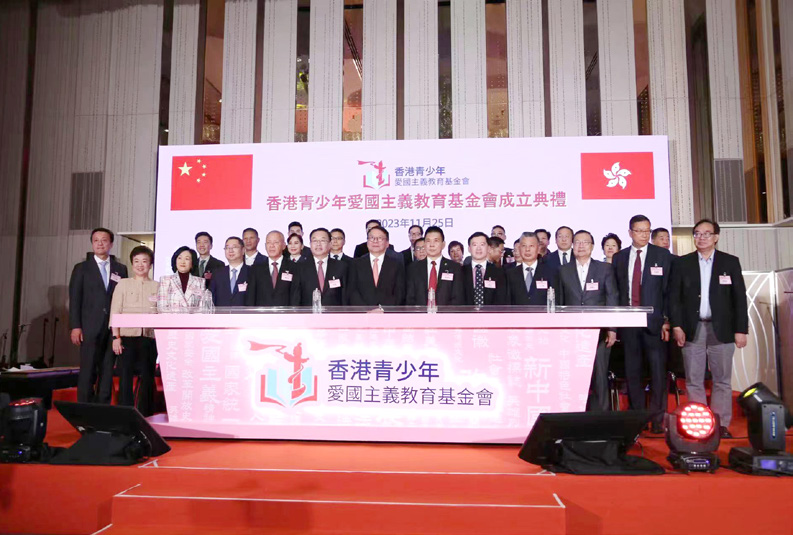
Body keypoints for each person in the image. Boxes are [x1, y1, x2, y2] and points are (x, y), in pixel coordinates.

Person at [669, 219, 748, 438]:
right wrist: (676, 325)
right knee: (693, 379)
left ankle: (721, 425)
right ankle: (700, 424)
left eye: (706, 233)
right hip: (692, 327)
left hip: (722, 329)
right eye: (697, 233)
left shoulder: (730, 262)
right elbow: (674, 298)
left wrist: (741, 329)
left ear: (716, 237)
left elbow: (739, 298)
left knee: (722, 379)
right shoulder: (682, 263)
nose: (701, 237)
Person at [613, 215, 673, 433]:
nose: (644, 235)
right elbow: (616, 290)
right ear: (630, 233)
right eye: (639, 231)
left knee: (657, 371)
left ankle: (657, 420)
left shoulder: (662, 255)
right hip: (629, 322)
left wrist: (666, 319)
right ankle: (637, 419)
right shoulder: (620, 257)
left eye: (647, 231)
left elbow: (669, 291)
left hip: (654, 322)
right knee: (633, 371)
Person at [555, 230, 618, 411]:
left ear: (592, 246)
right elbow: (559, 302)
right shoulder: (563, 270)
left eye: (585, 242)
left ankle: (601, 416)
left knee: (599, 375)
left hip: (599, 332)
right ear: (572, 246)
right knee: (573, 374)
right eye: (577, 242)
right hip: (571, 332)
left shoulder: (604, 269)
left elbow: (612, 298)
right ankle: (574, 413)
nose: (581, 246)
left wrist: (612, 328)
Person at [69, 228, 128, 403]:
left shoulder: (120, 269)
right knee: (88, 370)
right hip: (89, 327)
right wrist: (75, 326)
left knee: (107, 370)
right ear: (92, 243)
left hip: (112, 328)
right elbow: (75, 299)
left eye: (104, 240)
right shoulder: (81, 268)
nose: (100, 244)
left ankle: (103, 409)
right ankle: (84, 409)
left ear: (111, 244)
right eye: (96, 240)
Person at [110, 246, 157, 415]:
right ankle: (125, 413)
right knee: (125, 377)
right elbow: (115, 311)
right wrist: (116, 337)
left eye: (144, 261)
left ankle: (145, 413)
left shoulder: (157, 286)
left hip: (149, 337)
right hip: (127, 337)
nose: (140, 265)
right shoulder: (123, 284)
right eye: (136, 261)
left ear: (150, 264)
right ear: (132, 264)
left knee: (147, 376)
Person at [406, 226, 464, 306]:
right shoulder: (414, 268)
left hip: (447, 313)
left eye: (436, 241)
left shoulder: (455, 268)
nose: (432, 245)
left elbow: (457, 298)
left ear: (443, 244)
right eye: (428, 241)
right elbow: (410, 299)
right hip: (420, 313)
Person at [349, 226, 406, 306]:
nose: (375, 241)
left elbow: (399, 292)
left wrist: (382, 309)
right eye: (372, 238)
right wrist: (367, 310)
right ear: (367, 242)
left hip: (388, 312)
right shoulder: (356, 264)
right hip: (362, 311)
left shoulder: (396, 264)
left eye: (380, 238)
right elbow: (352, 291)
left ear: (387, 243)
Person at [291, 228, 349, 306]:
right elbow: (295, 298)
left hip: (334, 313)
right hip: (308, 313)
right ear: (310, 244)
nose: (318, 244)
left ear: (330, 244)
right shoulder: (299, 267)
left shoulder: (341, 267)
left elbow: (345, 297)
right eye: (315, 241)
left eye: (322, 240)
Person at [246, 231, 297, 307]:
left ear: (284, 246)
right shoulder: (256, 269)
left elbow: (296, 296)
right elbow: (250, 298)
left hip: (286, 313)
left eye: (276, 242)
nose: (272, 246)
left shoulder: (294, 267)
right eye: (269, 242)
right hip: (262, 313)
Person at [506, 232, 557, 305]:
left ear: (538, 248)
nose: (527, 249)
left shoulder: (550, 272)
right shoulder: (510, 274)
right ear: (519, 248)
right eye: (524, 246)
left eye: (531, 246)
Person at [462, 232, 507, 306]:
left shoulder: (499, 272)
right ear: (469, 249)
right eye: (474, 245)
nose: (478, 248)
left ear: (488, 248)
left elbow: (502, 299)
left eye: (482, 244)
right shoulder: (461, 272)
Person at [157, 246, 206, 311]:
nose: (183, 262)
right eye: (179, 258)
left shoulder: (200, 282)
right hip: (171, 317)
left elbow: (202, 308)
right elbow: (161, 307)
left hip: (193, 317)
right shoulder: (165, 280)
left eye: (187, 259)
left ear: (192, 263)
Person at [209, 237, 250, 306]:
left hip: (245, 313)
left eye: (234, 247)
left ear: (243, 250)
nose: (230, 250)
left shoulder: (252, 272)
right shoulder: (217, 274)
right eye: (227, 248)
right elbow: (212, 299)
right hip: (221, 313)